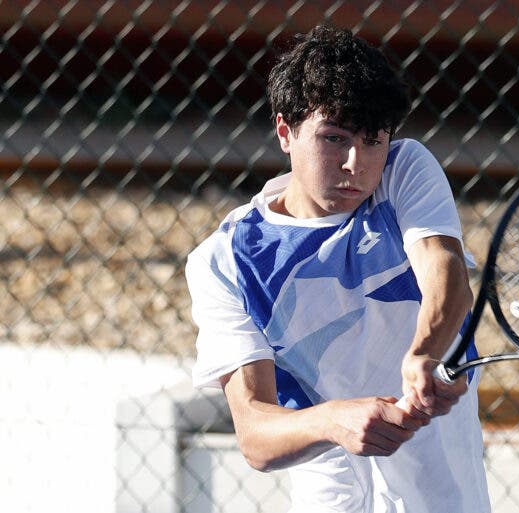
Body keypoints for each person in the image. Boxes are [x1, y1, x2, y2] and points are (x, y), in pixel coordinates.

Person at [186, 24, 491, 513]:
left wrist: (424, 354)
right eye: (334, 138)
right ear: (285, 132)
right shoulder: (225, 261)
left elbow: (446, 278)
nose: (356, 162)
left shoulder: (403, 170)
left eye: (373, 141)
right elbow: (255, 434)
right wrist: (332, 422)